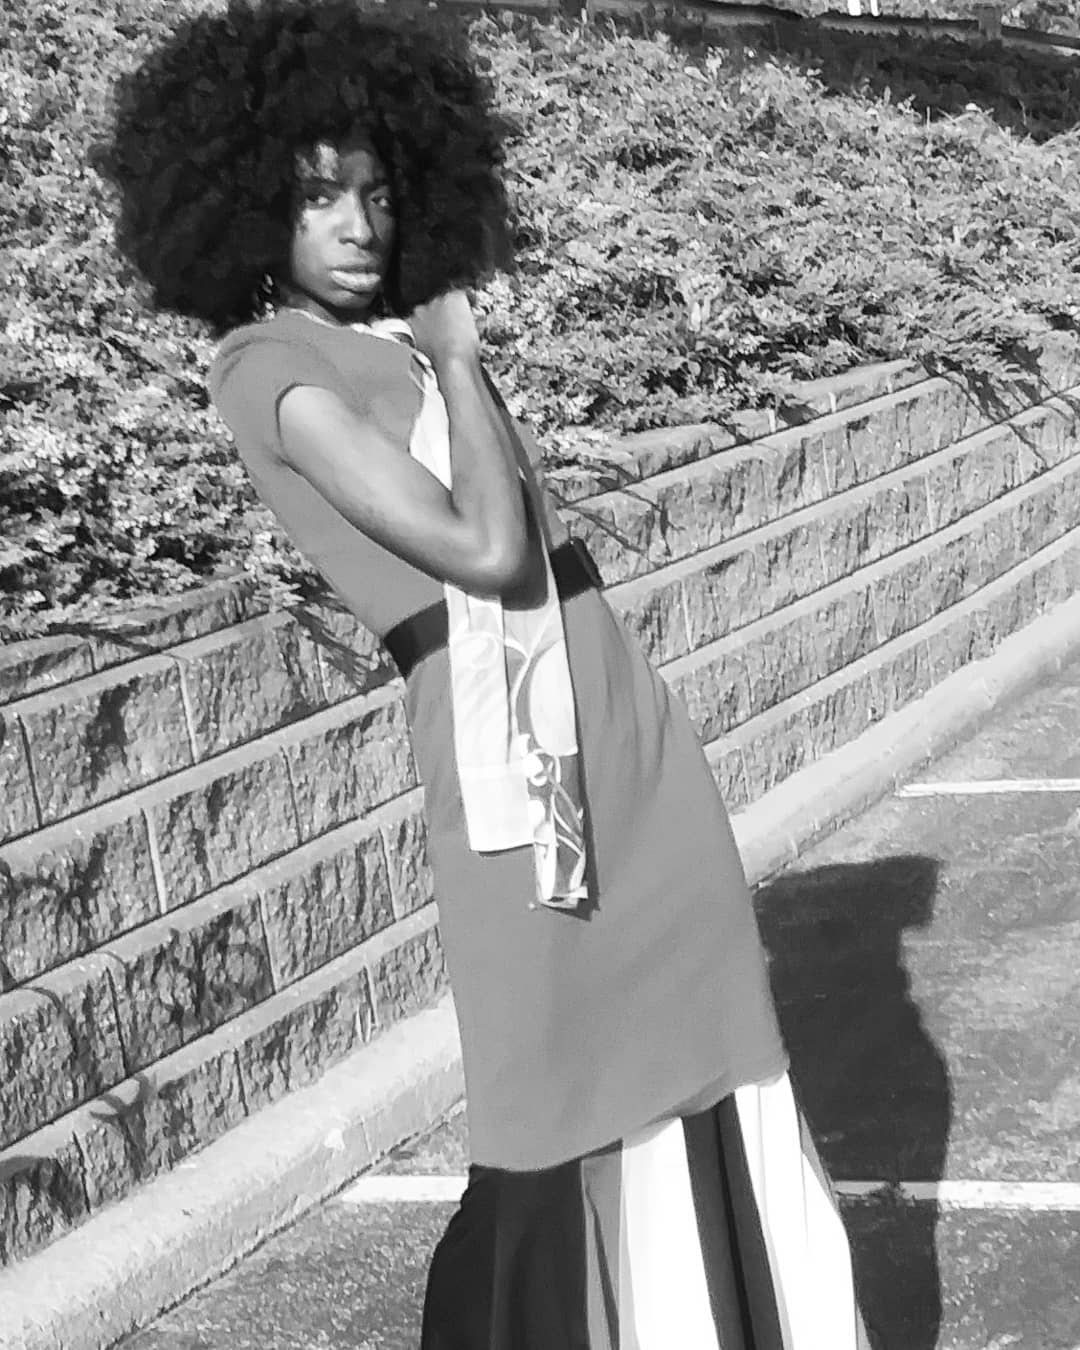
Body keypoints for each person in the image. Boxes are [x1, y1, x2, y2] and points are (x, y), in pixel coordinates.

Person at [100, 2, 874, 1345]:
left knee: (715, 1051)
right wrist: (458, 352)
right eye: (316, 198)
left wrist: (440, 350)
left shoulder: (396, 342)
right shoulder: (267, 368)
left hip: (616, 730)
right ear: (243, 211)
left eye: (376, 194)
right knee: (555, 1086)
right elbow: (478, 542)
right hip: (513, 764)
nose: (354, 224)